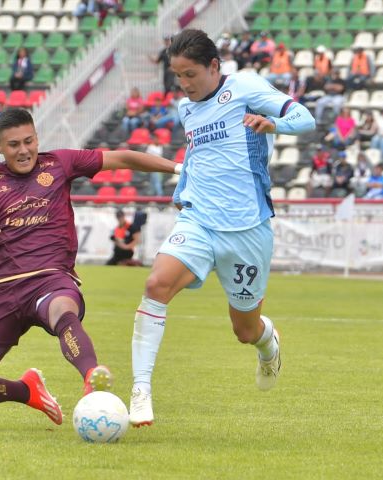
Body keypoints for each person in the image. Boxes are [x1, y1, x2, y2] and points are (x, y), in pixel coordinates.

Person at [0, 108, 180, 425]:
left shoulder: (59, 163)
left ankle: (92, 379)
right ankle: (27, 390)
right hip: (1, 290)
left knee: (62, 311)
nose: (24, 150)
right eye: (14, 144)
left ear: (37, 138)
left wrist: (179, 168)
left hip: (51, 280)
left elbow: (123, 158)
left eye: (29, 141)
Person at [128, 29, 315, 427]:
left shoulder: (246, 85)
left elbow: (305, 118)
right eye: (178, 76)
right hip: (199, 220)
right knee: (156, 285)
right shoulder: (187, 108)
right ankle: (141, 389)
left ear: (214, 66)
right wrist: (183, 186)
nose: (184, 84)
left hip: (247, 228)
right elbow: (199, 152)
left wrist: (273, 125)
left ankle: (268, 343)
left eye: (191, 74)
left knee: (244, 329)